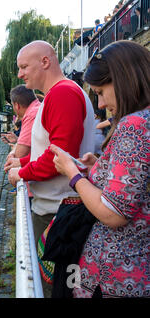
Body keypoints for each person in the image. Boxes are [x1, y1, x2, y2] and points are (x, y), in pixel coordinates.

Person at [50, 40, 149, 298]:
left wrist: (72, 174)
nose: (101, 104)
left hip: (117, 275)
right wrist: (101, 166)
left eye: (101, 92)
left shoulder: (134, 124)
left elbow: (114, 213)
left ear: (124, 80)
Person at [4, 41, 95, 296]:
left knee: (52, 288)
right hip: (56, 208)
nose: (20, 74)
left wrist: (20, 173)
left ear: (45, 61)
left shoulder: (62, 94)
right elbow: (54, 147)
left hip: (57, 214)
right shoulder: (57, 95)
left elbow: (60, 156)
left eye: (24, 66)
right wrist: (23, 162)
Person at [3, 84, 41, 160]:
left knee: (13, 170)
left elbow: (19, 155)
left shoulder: (31, 115)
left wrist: (14, 150)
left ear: (17, 105)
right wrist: (17, 141)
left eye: (12, 105)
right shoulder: (38, 108)